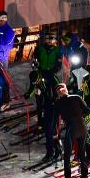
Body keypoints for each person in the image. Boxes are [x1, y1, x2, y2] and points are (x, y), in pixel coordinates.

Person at [29, 33, 63, 162]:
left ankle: (56, 148)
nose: (49, 42)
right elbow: (35, 60)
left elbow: (59, 63)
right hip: (43, 76)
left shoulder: (57, 50)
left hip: (53, 104)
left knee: (52, 129)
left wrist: (56, 68)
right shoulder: (40, 49)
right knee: (48, 128)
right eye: (47, 39)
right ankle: (50, 150)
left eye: (51, 40)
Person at [54, 83, 90, 178]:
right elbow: (88, 111)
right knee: (82, 154)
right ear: (66, 90)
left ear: (58, 93)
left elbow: (55, 119)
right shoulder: (76, 97)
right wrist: (79, 116)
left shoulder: (58, 103)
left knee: (67, 156)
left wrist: (56, 133)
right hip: (82, 126)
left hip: (71, 129)